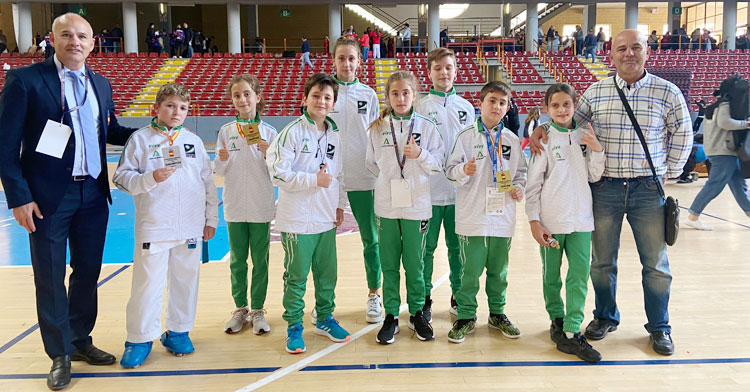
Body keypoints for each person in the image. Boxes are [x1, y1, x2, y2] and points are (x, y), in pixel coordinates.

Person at [529, 30, 692, 356]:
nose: (628, 53)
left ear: (646, 51)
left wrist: (669, 173)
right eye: (622, 48)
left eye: (635, 47)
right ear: (611, 54)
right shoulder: (595, 91)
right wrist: (541, 127)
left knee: (656, 264)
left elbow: (683, 133)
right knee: (601, 263)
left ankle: (660, 327)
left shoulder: (667, 91)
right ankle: (605, 316)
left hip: (648, 189)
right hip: (604, 189)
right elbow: (569, 123)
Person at [0, 13, 137, 390]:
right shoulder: (25, 80)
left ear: (93, 43)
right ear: (52, 39)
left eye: (82, 36)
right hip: (46, 198)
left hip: (93, 192)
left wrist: (153, 132)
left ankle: (79, 340)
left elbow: (108, 130)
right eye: (66, 35)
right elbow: (5, 146)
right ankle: (59, 353)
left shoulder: (101, 84)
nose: (74, 41)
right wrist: (19, 197)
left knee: (88, 272)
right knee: (49, 275)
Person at [113, 83, 218, 368]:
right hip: (155, 225)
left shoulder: (193, 142)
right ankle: (139, 338)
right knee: (147, 284)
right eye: (170, 105)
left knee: (186, 281)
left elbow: (208, 183)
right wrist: (150, 178)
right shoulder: (140, 140)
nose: (176, 112)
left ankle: (178, 331)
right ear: (156, 108)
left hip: (190, 227)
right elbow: (122, 179)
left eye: (182, 108)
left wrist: (211, 219)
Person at [267, 73, 351, 354]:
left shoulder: (335, 135)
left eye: (327, 97)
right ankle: (293, 325)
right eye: (316, 95)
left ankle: (325, 318)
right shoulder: (291, 132)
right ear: (304, 99)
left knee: (327, 274)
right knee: (297, 275)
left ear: (334, 103)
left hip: (325, 217)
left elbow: (337, 174)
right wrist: (314, 180)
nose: (321, 101)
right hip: (297, 219)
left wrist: (338, 204)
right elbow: (279, 174)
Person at [526, 83, 605, 363]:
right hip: (552, 221)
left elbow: (594, 176)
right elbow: (533, 185)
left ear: (574, 106)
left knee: (579, 275)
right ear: (547, 109)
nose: (561, 110)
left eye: (567, 105)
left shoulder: (584, 136)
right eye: (555, 105)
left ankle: (572, 330)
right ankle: (557, 319)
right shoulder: (544, 140)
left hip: (582, 220)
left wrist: (596, 149)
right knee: (551, 275)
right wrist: (534, 220)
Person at [443, 81, 527, 344]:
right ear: (480, 104)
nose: (497, 106)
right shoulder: (466, 136)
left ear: (507, 108)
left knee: (499, 271)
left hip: (502, 217)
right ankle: (466, 315)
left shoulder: (512, 140)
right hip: (473, 217)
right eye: (492, 100)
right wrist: (462, 171)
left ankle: (497, 313)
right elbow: (450, 171)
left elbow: (522, 174)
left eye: (502, 103)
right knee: (470, 271)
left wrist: (519, 189)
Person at [366, 71, 444, 345]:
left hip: (417, 206)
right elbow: (370, 163)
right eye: (395, 93)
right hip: (386, 205)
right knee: (388, 264)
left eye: (406, 93)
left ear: (415, 95)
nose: (400, 98)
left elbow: (438, 165)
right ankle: (390, 315)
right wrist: (391, 177)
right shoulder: (377, 128)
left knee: (415, 263)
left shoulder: (427, 126)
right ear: (387, 96)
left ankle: (417, 312)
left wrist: (419, 154)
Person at [215, 75, 277, 334]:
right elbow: (219, 172)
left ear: (258, 97)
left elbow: (277, 174)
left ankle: (259, 309)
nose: (242, 99)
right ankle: (240, 308)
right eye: (236, 95)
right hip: (235, 204)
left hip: (261, 205)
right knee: (238, 260)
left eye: (247, 94)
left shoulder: (271, 133)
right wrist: (221, 159)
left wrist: (267, 155)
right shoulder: (226, 132)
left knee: (260, 260)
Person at [327, 38, 383, 323]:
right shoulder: (325, 93)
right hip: (329, 178)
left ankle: (374, 294)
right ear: (333, 61)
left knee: (371, 239)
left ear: (359, 61)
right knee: (323, 243)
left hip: (364, 177)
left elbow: (376, 135)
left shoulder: (369, 94)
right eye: (341, 58)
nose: (346, 64)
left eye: (351, 58)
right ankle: (325, 302)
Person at [417, 48, 475, 318]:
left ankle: (458, 296)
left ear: (455, 70)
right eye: (438, 68)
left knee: (458, 249)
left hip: (459, 192)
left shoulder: (466, 107)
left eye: (448, 67)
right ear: (429, 72)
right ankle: (424, 297)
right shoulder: (419, 106)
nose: (443, 73)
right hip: (427, 193)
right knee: (425, 250)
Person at [686, 76, 750, 230]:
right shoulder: (725, 105)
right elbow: (724, 123)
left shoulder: (718, 105)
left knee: (738, 183)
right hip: (722, 151)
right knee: (715, 184)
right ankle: (693, 215)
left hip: (725, 151)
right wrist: (746, 124)